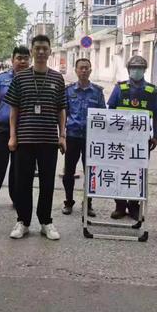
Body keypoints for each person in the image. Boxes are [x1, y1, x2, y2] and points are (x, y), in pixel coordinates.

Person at [5, 34, 67, 240]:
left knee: (47, 183)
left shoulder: (57, 78)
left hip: (49, 140)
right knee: (22, 182)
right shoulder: (20, 77)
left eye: (44, 48)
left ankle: (46, 222)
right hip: (25, 139)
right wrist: (12, 137)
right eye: (37, 48)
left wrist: (63, 135)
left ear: (50, 51)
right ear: (32, 51)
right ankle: (22, 221)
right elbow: (14, 110)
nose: (41, 52)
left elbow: (61, 110)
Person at [107, 55, 157, 221]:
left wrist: (156, 136)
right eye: (133, 67)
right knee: (119, 171)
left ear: (144, 70)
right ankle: (120, 205)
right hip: (121, 139)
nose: (136, 71)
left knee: (138, 173)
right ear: (129, 69)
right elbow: (110, 112)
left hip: (141, 140)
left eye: (140, 68)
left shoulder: (152, 91)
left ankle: (134, 206)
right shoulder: (120, 88)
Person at [0, 46, 30, 210]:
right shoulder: (2, 79)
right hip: (2, 128)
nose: (22, 61)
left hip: (24, 129)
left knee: (19, 167)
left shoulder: (33, 79)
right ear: (12, 59)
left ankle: (16, 199)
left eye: (25, 58)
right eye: (19, 58)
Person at [62, 58, 106, 216]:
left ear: (91, 70)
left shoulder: (97, 92)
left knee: (91, 172)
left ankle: (88, 203)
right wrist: (61, 135)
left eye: (87, 68)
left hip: (91, 138)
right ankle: (68, 201)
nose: (84, 71)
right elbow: (63, 114)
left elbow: (103, 115)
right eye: (81, 68)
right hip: (72, 137)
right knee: (69, 172)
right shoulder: (68, 91)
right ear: (76, 70)